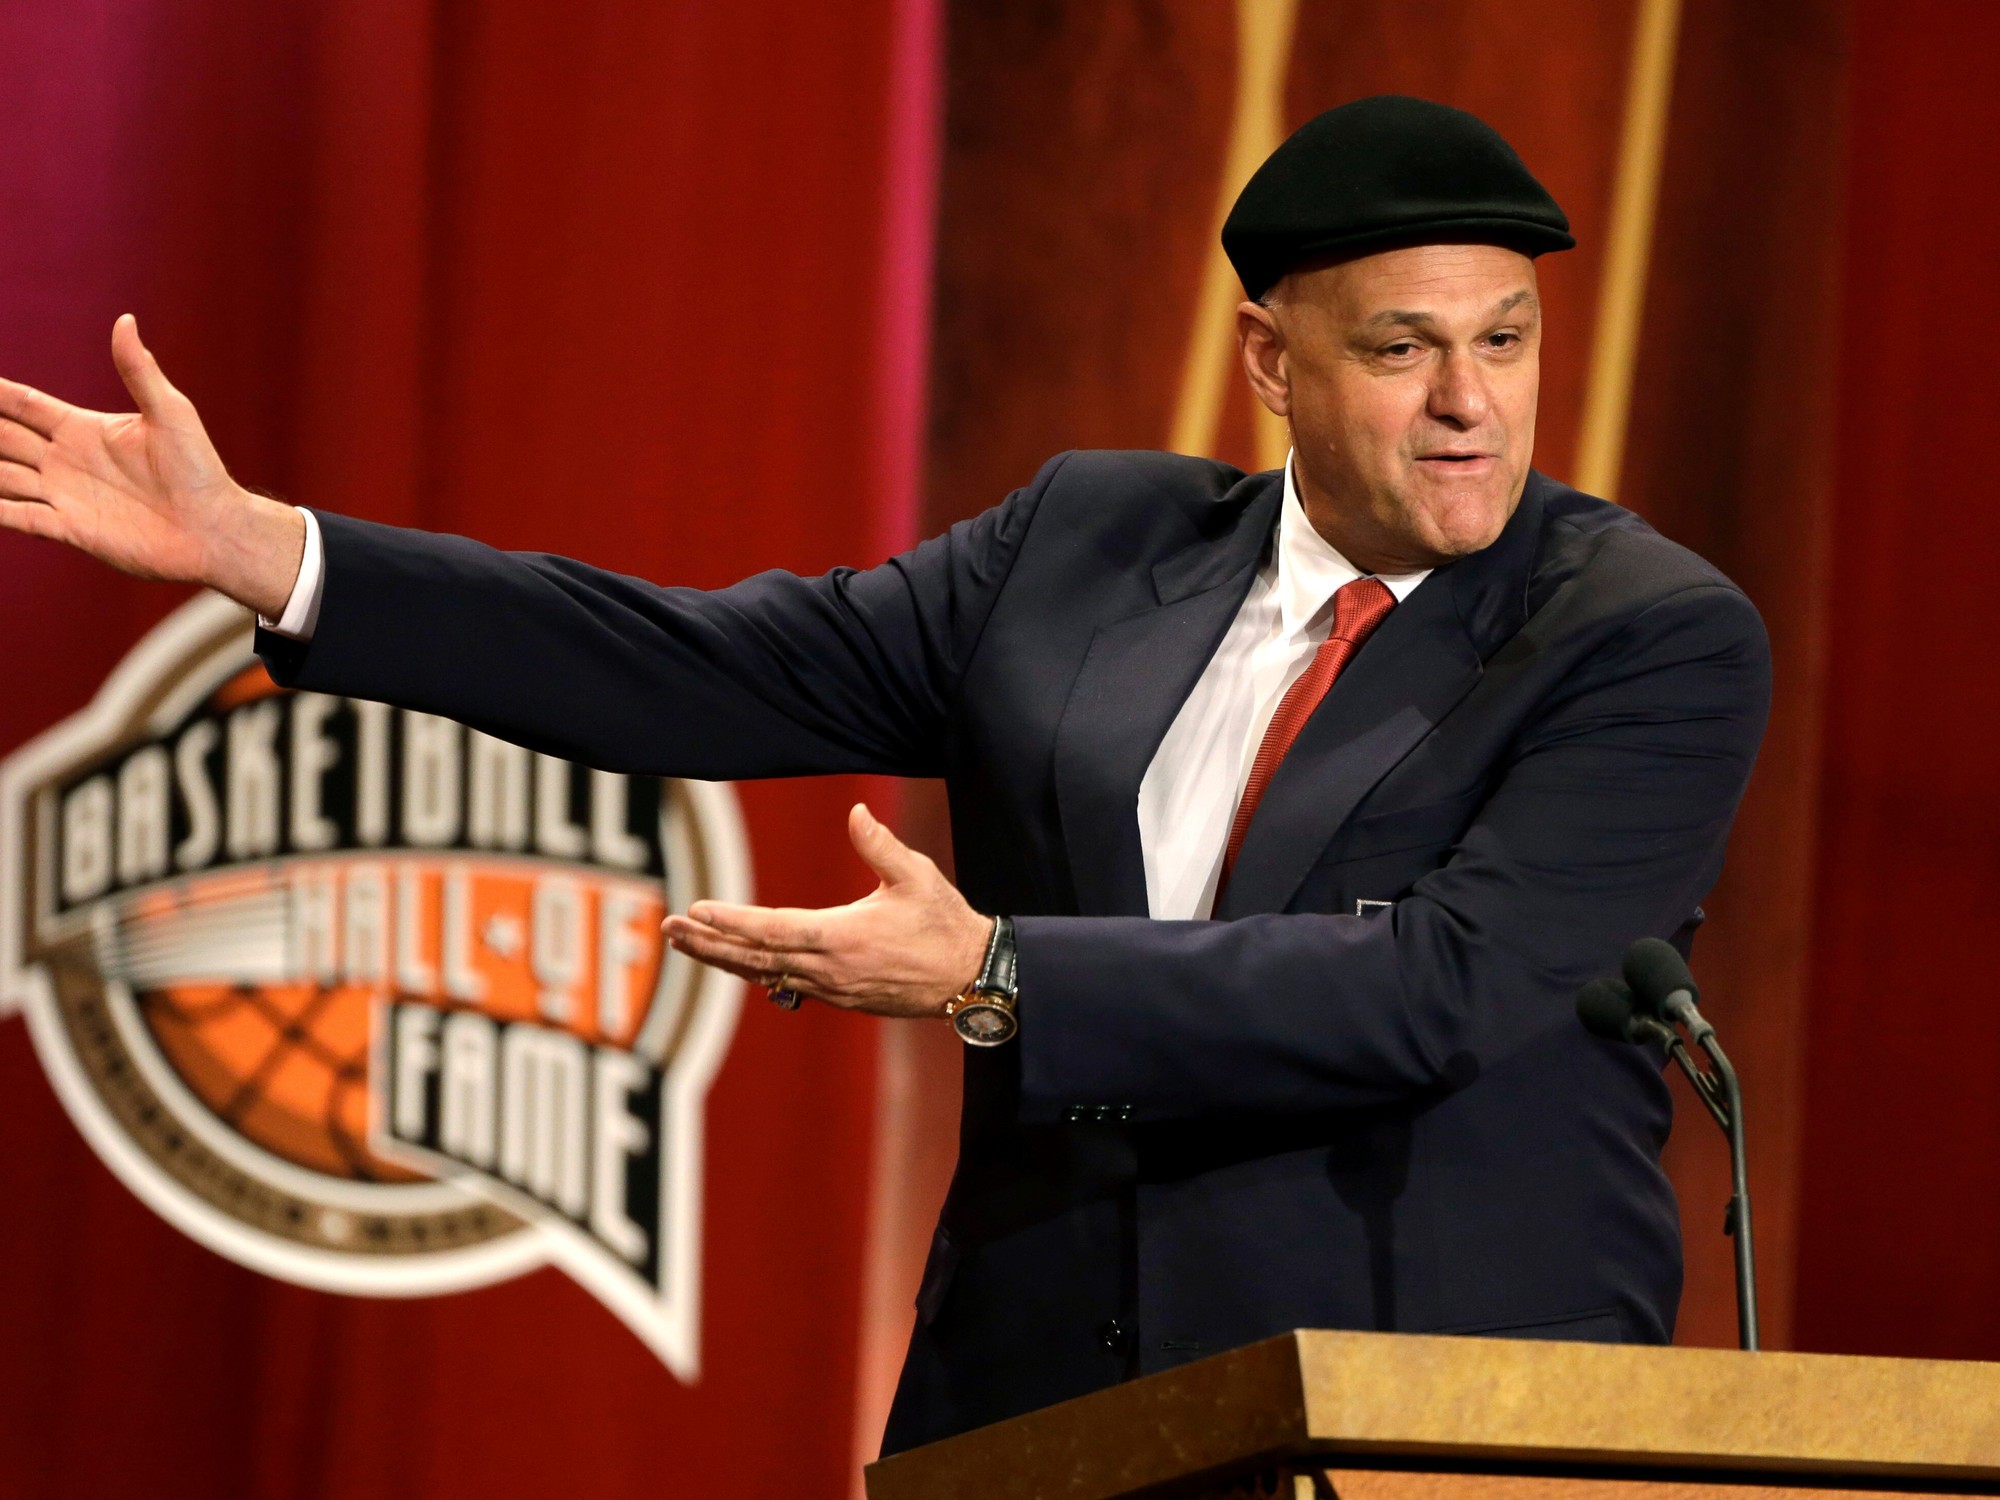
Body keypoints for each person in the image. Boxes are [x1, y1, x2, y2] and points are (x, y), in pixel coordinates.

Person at [0, 96, 1770, 1453]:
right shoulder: (1089, 545)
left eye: (1505, 340)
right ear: (1270, 361)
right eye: (1402, 348)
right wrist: (277, 558)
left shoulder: (1645, 635)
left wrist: (999, 974)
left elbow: (1433, 991)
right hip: (1047, 1407)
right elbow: (698, 666)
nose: (1470, 402)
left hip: (1424, 1417)